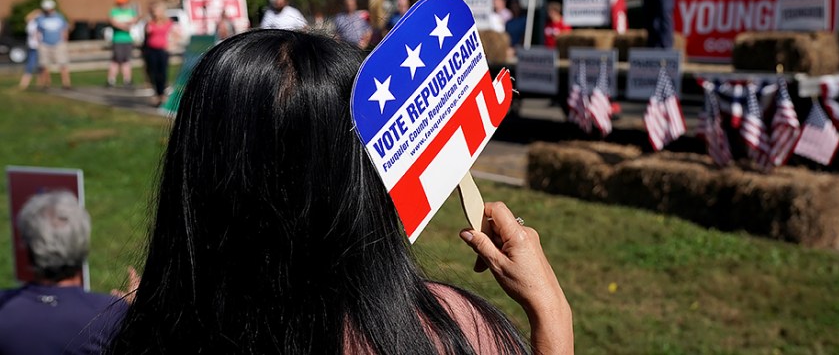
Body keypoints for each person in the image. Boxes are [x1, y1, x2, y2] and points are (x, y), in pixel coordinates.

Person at [106, 30, 573, 354]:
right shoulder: (458, 331)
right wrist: (551, 314)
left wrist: (144, 319)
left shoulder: (145, 339)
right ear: (368, 174)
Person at [0, 191, 129, 354]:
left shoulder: (4, 308)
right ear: (83, 244)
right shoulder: (111, 314)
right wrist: (136, 312)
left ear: (27, 247)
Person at [142, 2, 178, 107]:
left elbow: (176, 34)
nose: (154, 13)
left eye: (156, 11)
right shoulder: (150, 23)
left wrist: (171, 44)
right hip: (151, 50)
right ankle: (157, 94)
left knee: (162, 72)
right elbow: (146, 38)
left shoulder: (168, 22)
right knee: (153, 72)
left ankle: (162, 94)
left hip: (162, 50)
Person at [33, 0, 72, 89]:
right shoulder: (40, 18)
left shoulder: (59, 17)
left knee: (63, 63)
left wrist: (65, 38)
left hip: (58, 43)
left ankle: (66, 83)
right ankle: (46, 83)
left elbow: (65, 28)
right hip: (45, 44)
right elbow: (38, 30)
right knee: (44, 64)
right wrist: (38, 41)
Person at [107, 0, 138, 88]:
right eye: (121, 3)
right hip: (118, 39)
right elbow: (114, 22)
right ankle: (111, 80)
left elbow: (134, 21)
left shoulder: (131, 12)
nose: (123, 4)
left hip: (127, 39)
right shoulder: (114, 11)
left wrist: (122, 24)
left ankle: (127, 79)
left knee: (126, 60)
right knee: (116, 60)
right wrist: (125, 26)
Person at [18, 8, 42, 89]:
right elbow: (27, 17)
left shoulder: (40, 23)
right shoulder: (32, 23)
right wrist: (36, 11)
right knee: (30, 66)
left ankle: (40, 84)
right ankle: (24, 84)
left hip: (39, 47)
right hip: (32, 47)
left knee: (40, 66)